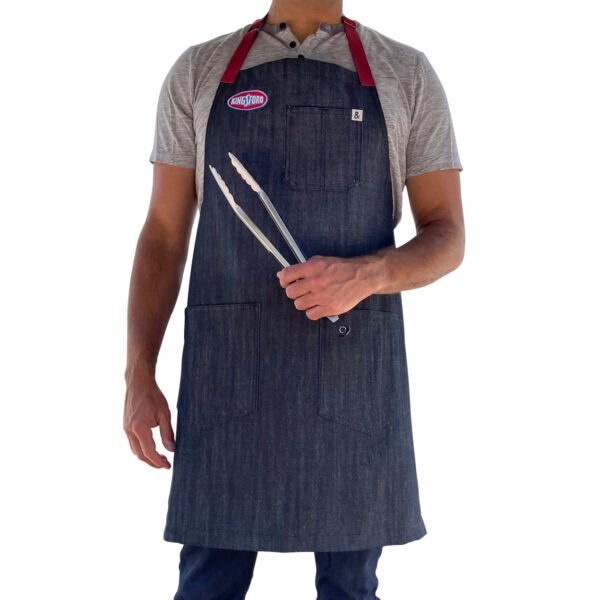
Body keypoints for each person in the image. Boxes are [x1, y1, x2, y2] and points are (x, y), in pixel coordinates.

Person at [123, 0, 464, 598]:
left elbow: (448, 235)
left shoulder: (403, 73)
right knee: (208, 582)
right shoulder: (200, 70)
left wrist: (368, 275)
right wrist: (137, 374)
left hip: (352, 372)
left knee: (350, 587)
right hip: (229, 374)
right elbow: (163, 233)